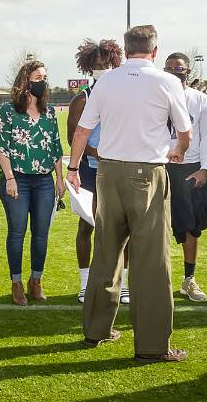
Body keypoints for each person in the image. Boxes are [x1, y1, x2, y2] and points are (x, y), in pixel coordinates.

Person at [68, 25, 191, 363]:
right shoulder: (167, 81)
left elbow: (82, 130)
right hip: (147, 173)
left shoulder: (105, 81)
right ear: (154, 50)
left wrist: (73, 168)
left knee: (106, 252)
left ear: (125, 49)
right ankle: (152, 346)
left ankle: (96, 330)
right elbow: (185, 131)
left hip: (108, 173)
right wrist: (178, 151)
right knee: (152, 260)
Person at [0, 61, 65, 305]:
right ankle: (16, 283)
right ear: (25, 80)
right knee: (17, 232)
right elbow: (2, 148)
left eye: (44, 77)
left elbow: (56, 147)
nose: (42, 81)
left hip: (44, 181)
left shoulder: (50, 112)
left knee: (41, 234)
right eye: (37, 76)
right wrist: (10, 179)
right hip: (18, 180)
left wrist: (60, 180)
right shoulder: (8, 111)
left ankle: (36, 281)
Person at [67, 38, 127, 304]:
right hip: (92, 171)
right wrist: (95, 153)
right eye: (96, 66)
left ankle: (122, 284)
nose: (101, 69)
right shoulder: (82, 99)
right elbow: (73, 138)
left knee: (125, 227)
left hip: (122, 170)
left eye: (106, 64)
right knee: (87, 227)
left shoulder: (126, 94)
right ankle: (85, 282)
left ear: (115, 63)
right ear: (88, 69)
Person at [163, 53, 207, 302]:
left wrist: (205, 169)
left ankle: (189, 279)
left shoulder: (200, 100)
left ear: (188, 70)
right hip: (159, 168)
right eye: (170, 68)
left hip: (190, 167)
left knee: (191, 226)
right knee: (154, 226)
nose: (175, 71)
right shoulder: (156, 96)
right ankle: (157, 280)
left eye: (180, 68)